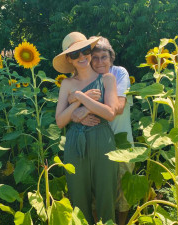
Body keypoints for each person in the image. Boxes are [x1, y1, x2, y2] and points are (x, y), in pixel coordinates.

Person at [53, 32, 119, 224]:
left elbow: (110, 113)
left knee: (106, 198)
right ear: (69, 59)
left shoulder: (107, 79)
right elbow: (60, 121)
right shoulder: (66, 84)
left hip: (103, 140)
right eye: (75, 54)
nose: (81, 57)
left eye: (84, 51)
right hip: (75, 144)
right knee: (78, 201)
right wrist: (80, 102)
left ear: (89, 51)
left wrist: (80, 98)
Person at [71, 37, 134, 225]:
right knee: (98, 194)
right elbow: (71, 107)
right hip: (95, 144)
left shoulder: (119, 73)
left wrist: (85, 108)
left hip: (120, 140)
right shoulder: (85, 77)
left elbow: (118, 108)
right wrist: (76, 113)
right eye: (95, 57)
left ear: (111, 59)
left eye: (104, 57)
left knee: (122, 193)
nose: (99, 62)